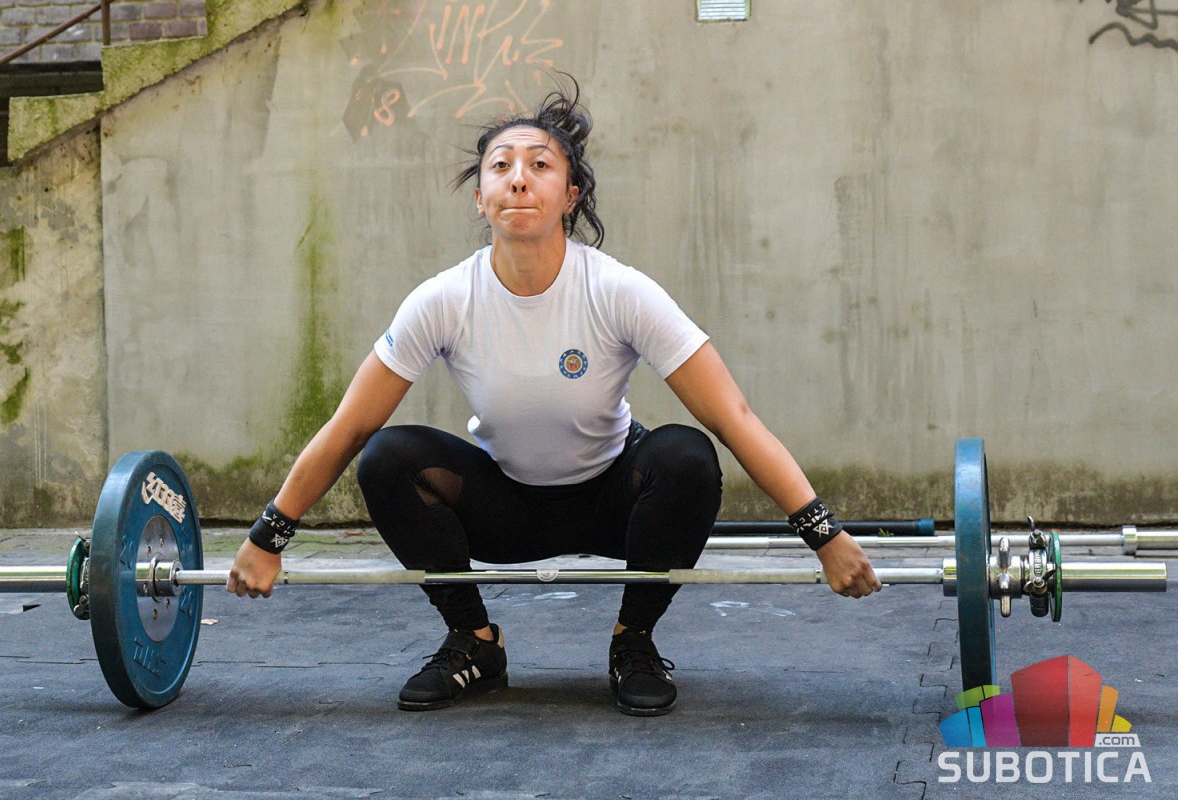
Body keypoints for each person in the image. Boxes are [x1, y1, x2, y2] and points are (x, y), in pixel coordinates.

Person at [227, 79, 882, 716]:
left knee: (687, 454)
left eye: (539, 165)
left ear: (570, 195)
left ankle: (633, 642)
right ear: (480, 199)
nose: (518, 179)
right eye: (500, 166)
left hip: (614, 504)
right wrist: (267, 536)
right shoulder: (443, 300)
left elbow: (732, 416)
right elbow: (349, 426)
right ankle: (474, 641)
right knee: (386, 457)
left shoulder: (618, 291)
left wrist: (822, 534)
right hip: (503, 506)